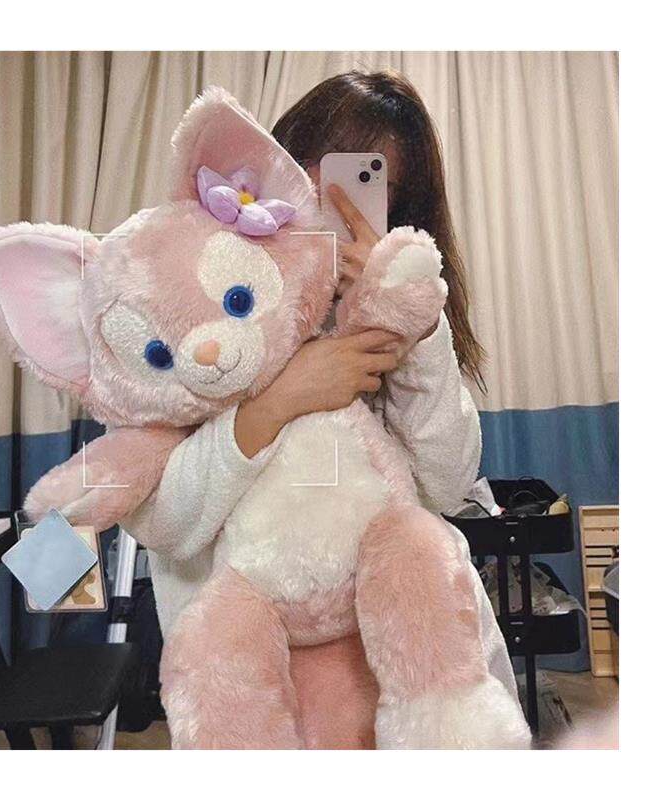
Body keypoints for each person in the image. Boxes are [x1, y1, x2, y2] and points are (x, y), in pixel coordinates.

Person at [127, 70, 519, 742]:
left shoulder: (399, 316)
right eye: (307, 167)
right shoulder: (203, 300)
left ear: (398, 209)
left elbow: (449, 484)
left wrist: (413, 325)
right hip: (253, 666)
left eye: (362, 181)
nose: (322, 197)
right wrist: (279, 401)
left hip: (398, 658)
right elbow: (162, 520)